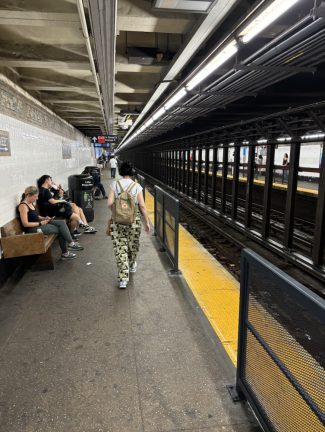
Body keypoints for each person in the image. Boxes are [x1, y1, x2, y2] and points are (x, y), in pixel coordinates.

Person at [107, 161, 150, 289]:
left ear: (120, 171)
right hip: (134, 222)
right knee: (133, 245)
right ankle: (132, 265)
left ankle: (123, 280)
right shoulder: (136, 187)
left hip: (118, 222)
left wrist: (117, 212)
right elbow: (142, 206)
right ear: (132, 172)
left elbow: (109, 203)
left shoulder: (115, 185)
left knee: (121, 249)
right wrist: (147, 222)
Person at [18, 186, 84, 260]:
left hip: (40, 223)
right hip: (34, 228)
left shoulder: (30, 203)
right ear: (28, 196)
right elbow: (25, 224)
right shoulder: (23, 206)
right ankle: (66, 252)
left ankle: (70, 244)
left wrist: (44, 218)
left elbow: (35, 216)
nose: (37, 198)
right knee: (61, 230)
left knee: (62, 223)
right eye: (35, 196)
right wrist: (40, 224)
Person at [37, 175, 83, 241]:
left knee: (72, 210)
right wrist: (62, 200)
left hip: (49, 211)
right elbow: (52, 201)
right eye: (50, 180)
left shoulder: (41, 190)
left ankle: (74, 230)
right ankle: (70, 234)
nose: (52, 182)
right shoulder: (45, 191)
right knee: (76, 217)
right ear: (46, 181)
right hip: (52, 213)